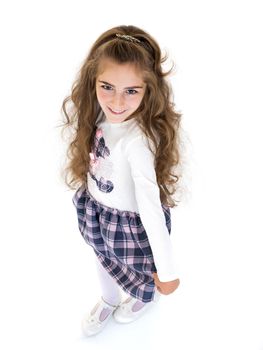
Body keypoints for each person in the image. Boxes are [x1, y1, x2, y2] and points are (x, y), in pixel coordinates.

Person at [60, 25, 183, 337]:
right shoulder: (97, 116)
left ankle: (144, 298)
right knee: (101, 257)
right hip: (96, 210)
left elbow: (151, 207)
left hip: (130, 223)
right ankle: (109, 298)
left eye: (131, 91)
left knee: (141, 273)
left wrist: (167, 272)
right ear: (94, 82)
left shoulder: (138, 142)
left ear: (148, 90)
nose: (116, 102)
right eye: (107, 87)